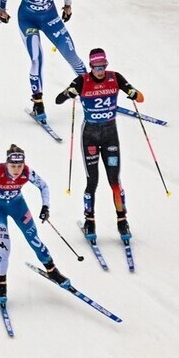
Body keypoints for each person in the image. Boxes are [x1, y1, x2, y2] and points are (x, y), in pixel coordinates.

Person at [54, 48, 142, 243]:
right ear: (91, 66)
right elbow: (58, 100)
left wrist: (134, 94)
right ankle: (90, 221)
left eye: (103, 67)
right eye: (96, 67)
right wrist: (69, 93)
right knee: (92, 181)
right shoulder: (82, 80)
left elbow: (140, 97)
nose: (100, 71)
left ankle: (122, 221)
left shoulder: (115, 78)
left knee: (115, 181)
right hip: (90, 136)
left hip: (110, 135)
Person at [0, 144, 70, 304]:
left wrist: (45, 206)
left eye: (19, 166)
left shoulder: (27, 172)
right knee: (5, 247)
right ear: (7, 164)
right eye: (13, 166)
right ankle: (1, 283)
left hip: (18, 207)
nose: (16, 169)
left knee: (34, 239)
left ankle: (52, 270)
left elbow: (43, 186)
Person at [0, 0, 87, 122]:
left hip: (50, 18)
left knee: (71, 54)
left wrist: (67, 5)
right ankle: (38, 102)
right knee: (36, 59)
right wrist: (1, 9)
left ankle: (88, 90)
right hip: (28, 21)